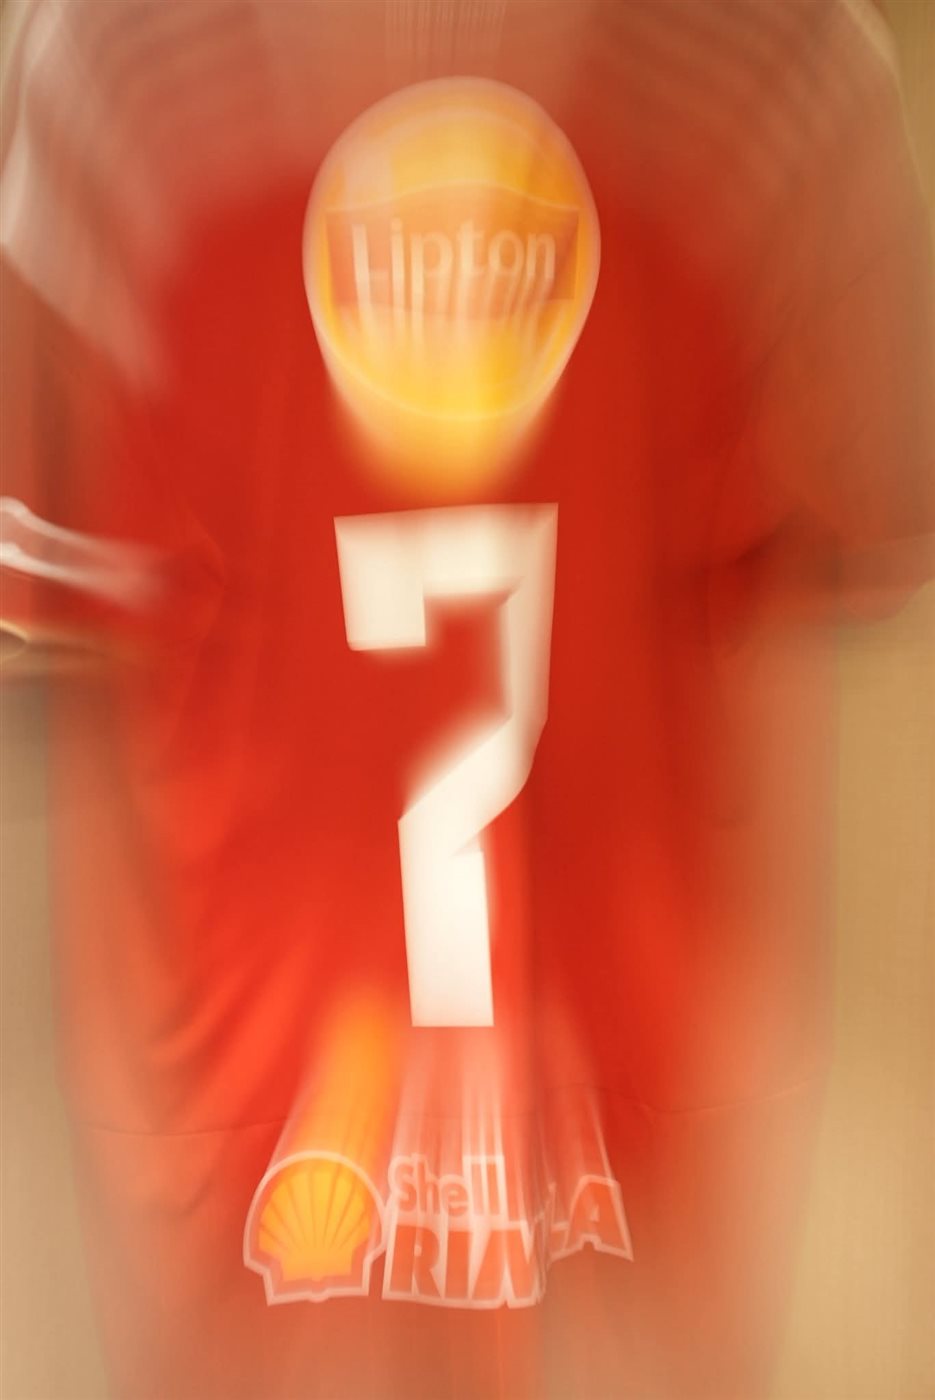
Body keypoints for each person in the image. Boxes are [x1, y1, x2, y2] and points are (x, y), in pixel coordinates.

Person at [1, 2, 932, 1396]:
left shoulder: (115, 66)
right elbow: (848, 549)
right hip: (603, 1191)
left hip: (277, 1193)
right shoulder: (785, 67)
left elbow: (64, 607)